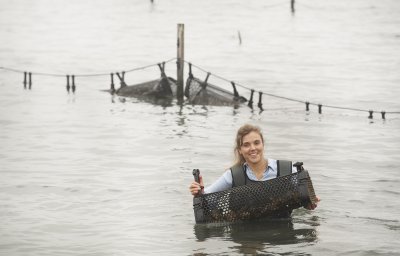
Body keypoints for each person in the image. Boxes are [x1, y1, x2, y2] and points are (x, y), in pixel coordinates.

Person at [189, 123, 320, 210]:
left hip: (282, 238)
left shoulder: (286, 169)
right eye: (246, 145)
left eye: (256, 143)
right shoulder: (233, 176)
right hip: (246, 238)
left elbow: (305, 198)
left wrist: (309, 203)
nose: (252, 148)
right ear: (240, 150)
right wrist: (199, 191)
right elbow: (207, 202)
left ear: (263, 144)